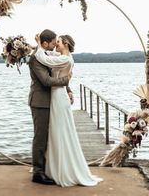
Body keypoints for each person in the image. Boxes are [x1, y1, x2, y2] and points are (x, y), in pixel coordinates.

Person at [34, 34, 103, 187]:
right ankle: (54, 167)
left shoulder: (65, 59)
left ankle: (63, 170)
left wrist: (39, 44)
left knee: (60, 132)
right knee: (56, 132)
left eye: (57, 42)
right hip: (57, 94)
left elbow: (44, 59)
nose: (55, 45)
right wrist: (36, 46)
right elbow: (48, 54)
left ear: (65, 43)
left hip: (59, 96)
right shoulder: (63, 56)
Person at [28, 29, 73, 185]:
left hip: (52, 102)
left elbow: (56, 73)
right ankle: (37, 173)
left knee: (50, 137)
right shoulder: (35, 59)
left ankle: (48, 169)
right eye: (53, 42)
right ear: (45, 43)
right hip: (40, 102)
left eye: (57, 42)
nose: (55, 46)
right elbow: (47, 81)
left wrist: (68, 89)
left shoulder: (46, 55)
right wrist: (66, 81)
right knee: (40, 137)